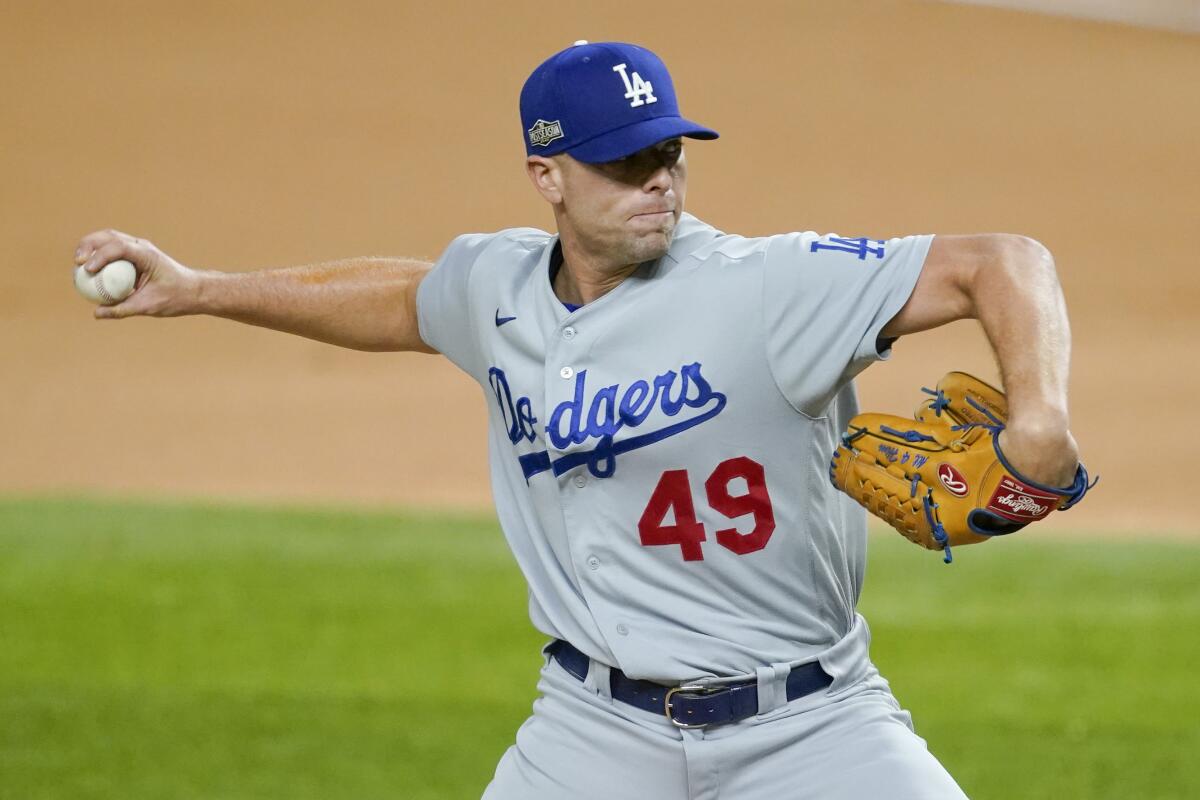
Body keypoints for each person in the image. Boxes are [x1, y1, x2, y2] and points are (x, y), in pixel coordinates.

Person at [75, 40, 1080, 800]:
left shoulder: (770, 285)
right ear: (546, 176)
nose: (660, 183)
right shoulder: (495, 286)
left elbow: (1006, 259)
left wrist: (1039, 422)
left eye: (669, 155)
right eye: (625, 163)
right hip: (594, 729)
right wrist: (203, 287)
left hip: (811, 724)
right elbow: (397, 299)